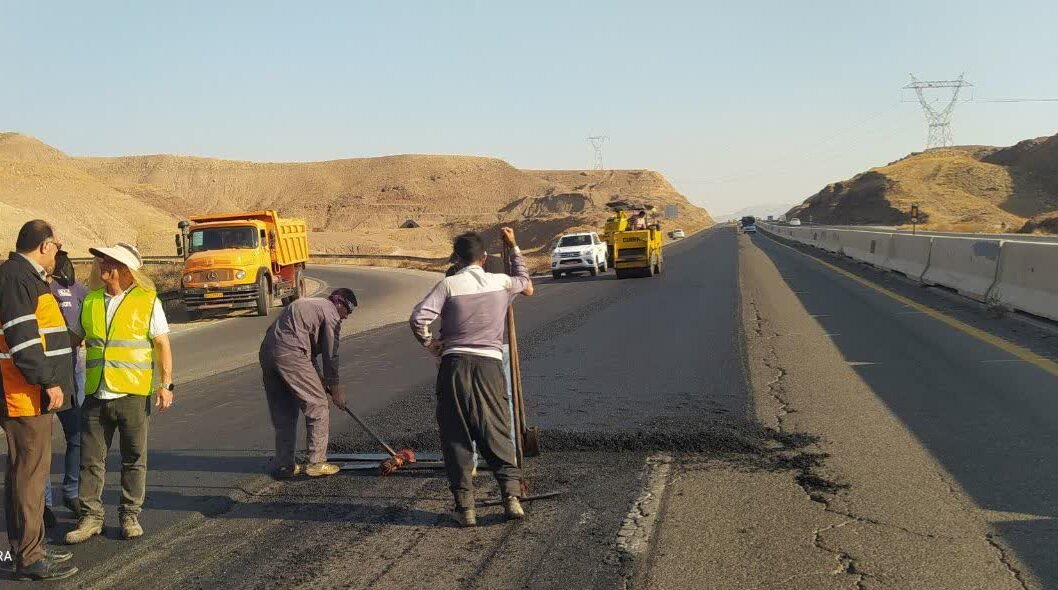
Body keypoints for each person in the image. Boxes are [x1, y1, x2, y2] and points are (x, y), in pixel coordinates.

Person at [409, 227, 533, 527]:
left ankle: (466, 508)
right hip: (489, 366)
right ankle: (511, 497)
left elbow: (418, 319)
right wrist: (514, 248)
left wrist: (430, 344)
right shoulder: (501, 282)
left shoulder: (448, 285)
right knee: (497, 430)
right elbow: (527, 285)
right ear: (485, 258)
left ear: (457, 258)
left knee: (456, 436)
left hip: (453, 367)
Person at [64, 243, 174, 544]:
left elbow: (162, 345)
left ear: (126, 270)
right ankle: (90, 517)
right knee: (90, 459)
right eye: (102, 262)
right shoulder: (90, 302)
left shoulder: (147, 301)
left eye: (110, 263)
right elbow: (73, 338)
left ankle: (129, 515)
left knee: (134, 458)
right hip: (97, 394)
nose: (103, 268)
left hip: (132, 394)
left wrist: (165, 385)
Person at [0, 220, 78, 580]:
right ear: (45, 246)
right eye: (57, 247)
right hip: (24, 394)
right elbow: (24, 341)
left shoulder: (23, 276)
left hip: (27, 391)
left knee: (24, 474)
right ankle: (29, 558)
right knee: (29, 477)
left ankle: (31, 549)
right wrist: (48, 381)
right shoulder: (17, 277)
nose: (58, 254)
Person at [259, 288, 357, 479]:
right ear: (340, 303)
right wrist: (335, 388)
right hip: (291, 353)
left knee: (285, 412)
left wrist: (321, 381)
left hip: (267, 353)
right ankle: (317, 462)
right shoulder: (330, 312)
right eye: (348, 312)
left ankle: (285, 463)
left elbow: (308, 354)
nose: (346, 317)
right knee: (318, 406)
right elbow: (330, 355)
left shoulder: (308, 305)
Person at [46, 250, 87, 517]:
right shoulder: (35, 291)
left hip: (73, 373)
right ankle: (44, 504)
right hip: (42, 378)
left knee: (78, 435)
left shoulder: (78, 290)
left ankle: (71, 492)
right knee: (40, 445)